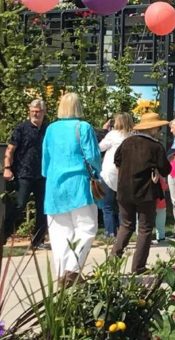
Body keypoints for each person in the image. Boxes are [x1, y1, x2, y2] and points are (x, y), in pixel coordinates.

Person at [42, 93, 101, 283]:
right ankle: (72, 269)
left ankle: (61, 272)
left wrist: (49, 175)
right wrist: (98, 173)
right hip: (78, 183)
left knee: (60, 232)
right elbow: (92, 156)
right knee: (87, 227)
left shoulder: (51, 129)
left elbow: (46, 158)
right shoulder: (83, 127)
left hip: (54, 185)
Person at [112, 112, 171, 274]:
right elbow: (166, 169)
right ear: (153, 128)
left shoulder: (127, 142)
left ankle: (112, 261)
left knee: (126, 225)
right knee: (145, 229)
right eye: (158, 127)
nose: (160, 130)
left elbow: (116, 161)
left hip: (124, 191)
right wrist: (156, 171)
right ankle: (138, 267)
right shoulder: (156, 146)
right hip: (146, 192)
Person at [2, 99, 49, 249]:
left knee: (43, 208)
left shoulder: (48, 130)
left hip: (42, 174)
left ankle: (38, 241)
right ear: (29, 112)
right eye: (33, 111)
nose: (36, 113)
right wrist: (7, 168)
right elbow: (10, 149)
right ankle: (3, 235)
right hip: (24, 173)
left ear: (44, 112)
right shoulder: (21, 128)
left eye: (39, 111)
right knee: (19, 205)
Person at [97, 113, 134, 237]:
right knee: (121, 207)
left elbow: (99, 148)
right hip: (125, 174)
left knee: (107, 206)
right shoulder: (132, 136)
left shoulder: (112, 135)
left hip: (109, 173)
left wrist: (104, 131)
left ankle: (110, 232)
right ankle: (123, 234)